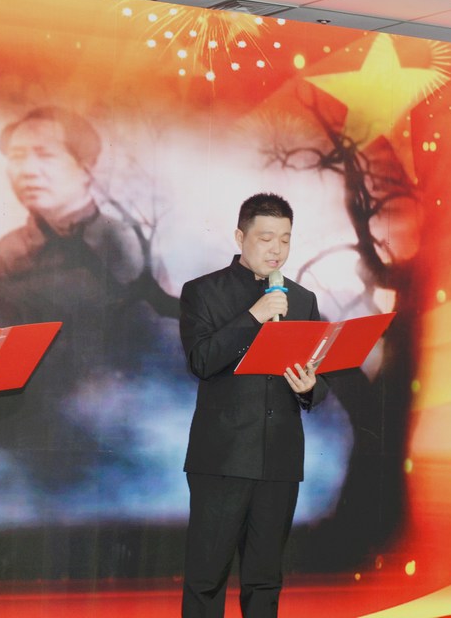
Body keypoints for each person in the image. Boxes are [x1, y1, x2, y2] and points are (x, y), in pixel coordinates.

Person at [0, 107, 180, 511]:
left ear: (85, 168)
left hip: (124, 458)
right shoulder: (4, 257)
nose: (27, 170)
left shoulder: (127, 244)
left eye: (45, 155)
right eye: (17, 156)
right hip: (30, 460)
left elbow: (162, 354)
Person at [178, 193, 330, 618]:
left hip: (280, 458)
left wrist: (310, 387)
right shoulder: (202, 292)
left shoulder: (303, 300)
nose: (276, 249)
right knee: (207, 577)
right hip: (223, 458)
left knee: (265, 580)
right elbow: (201, 361)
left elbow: (321, 380)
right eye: (265, 238)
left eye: (285, 239)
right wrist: (254, 316)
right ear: (240, 237)